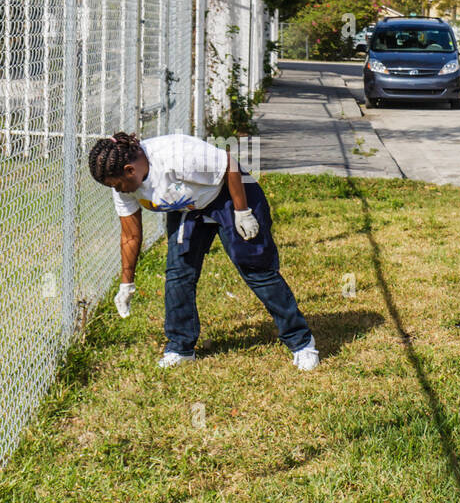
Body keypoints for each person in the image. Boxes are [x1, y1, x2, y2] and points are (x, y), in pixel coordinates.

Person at [88, 131, 318, 370]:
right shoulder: (123, 189)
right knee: (179, 273)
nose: (119, 191)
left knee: (255, 266)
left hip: (228, 192)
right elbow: (131, 235)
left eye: (118, 185)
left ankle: (301, 342)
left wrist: (242, 212)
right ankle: (180, 347)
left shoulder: (176, 154)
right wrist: (127, 283)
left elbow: (230, 165)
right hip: (188, 207)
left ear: (129, 170)